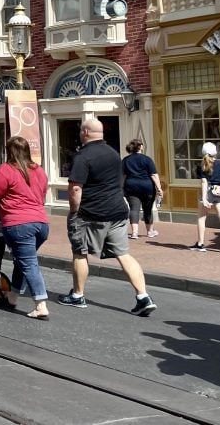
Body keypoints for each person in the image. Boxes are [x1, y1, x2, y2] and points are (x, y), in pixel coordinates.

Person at [58, 119, 157, 316]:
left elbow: (76, 188)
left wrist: (74, 211)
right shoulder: (113, 154)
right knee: (123, 253)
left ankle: (78, 295)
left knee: (80, 252)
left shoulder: (83, 156)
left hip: (91, 213)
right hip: (118, 211)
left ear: (85, 132)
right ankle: (143, 296)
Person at [0, 136, 50, 319]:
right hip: (41, 223)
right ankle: (13, 295)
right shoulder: (39, 170)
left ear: (9, 151)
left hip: (19, 223)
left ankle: (40, 304)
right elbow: (43, 196)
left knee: (28, 262)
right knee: (22, 259)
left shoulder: (6, 170)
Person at [123, 139, 162, 239]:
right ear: (140, 147)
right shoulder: (147, 159)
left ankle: (134, 233)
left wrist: (121, 187)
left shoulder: (126, 160)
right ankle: (150, 231)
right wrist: (159, 188)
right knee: (147, 209)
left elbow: (122, 175)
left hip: (131, 187)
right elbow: (153, 175)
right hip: (147, 187)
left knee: (133, 209)